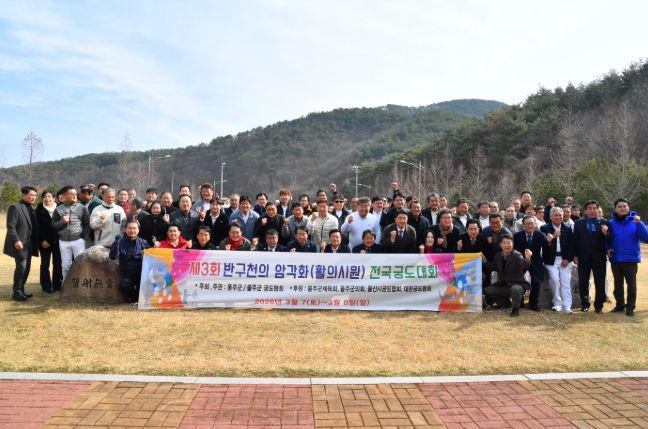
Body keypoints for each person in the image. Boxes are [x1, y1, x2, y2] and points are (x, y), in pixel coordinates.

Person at [607, 198, 648, 316]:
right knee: (617, 284)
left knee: (631, 285)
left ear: (628, 208)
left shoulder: (635, 221)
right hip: (616, 258)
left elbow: (645, 237)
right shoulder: (611, 223)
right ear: (615, 209)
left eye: (625, 206)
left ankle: (630, 307)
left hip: (630, 258)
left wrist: (639, 223)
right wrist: (608, 248)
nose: (622, 208)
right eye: (619, 206)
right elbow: (607, 239)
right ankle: (620, 305)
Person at [572, 200, 611, 313]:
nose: (592, 210)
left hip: (599, 257)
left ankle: (599, 305)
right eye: (589, 208)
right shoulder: (578, 223)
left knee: (600, 282)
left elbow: (610, 239)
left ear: (598, 210)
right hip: (583, 257)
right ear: (585, 211)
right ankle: (585, 304)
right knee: (583, 282)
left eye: (594, 208)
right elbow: (575, 240)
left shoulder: (604, 222)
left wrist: (606, 233)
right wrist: (575, 255)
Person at [4, 186, 39, 301]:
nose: (34, 197)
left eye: (35, 195)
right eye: (31, 195)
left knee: (26, 267)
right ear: (23, 195)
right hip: (20, 243)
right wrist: (16, 240)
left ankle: (21, 290)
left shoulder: (32, 209)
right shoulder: (15, 207)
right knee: (21, 266)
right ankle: (17, 292)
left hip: (29, 244)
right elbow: (11, 226)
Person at [484, 234, 531, 317]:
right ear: (500, 245)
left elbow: (525, 266)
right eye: (504, 243)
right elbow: (492, 267)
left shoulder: (517, 255)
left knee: (516, 289)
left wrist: (527, 258)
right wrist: (484, 260)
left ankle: (515, 309)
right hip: (503, 285)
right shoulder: (498, 255)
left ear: (513, 244)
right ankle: (506, 303)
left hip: (517, 285)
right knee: (487, 290)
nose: (507, 245)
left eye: (509, 243)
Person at [52, 185, 90, 281]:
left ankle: (80, 285)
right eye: (71, 194)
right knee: (65, 266)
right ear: (64, 196)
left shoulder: (82, 208)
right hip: (63, 242)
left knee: (80, 264)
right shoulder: (58, 209)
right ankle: (65, 286)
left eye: (75, 194)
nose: (75, 196)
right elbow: (53, 226)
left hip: (78, 241)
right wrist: (62, 222)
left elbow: (87, 224)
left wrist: (83, 237)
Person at [541, 207, 574, 314]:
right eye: (556, 215)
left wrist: (567, 259)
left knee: (565, 282)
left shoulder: (568, 228)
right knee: (555, 280)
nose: (558, 217)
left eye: (560, 215)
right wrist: (553, 238)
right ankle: (557, 303)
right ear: (551, 217)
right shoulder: (544, 228)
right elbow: (544, 245)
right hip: (551, 260)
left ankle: (567, 305)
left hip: (565, 260)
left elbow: (571, 245)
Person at [109, 220, 148, 303]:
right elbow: (112, 257)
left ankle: (137, 298)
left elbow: (151, 259)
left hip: (142, 274)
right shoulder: (120, 241)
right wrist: (116, 243)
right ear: (125, 230)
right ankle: (132, 297)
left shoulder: (144, 243)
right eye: (130, 228)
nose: (132, 230)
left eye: (134, 228)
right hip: (127, 274)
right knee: (123, 286)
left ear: (138, 230)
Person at [513, 215, 546, 311]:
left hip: (536, 262)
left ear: (535, 224)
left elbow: (547, 249)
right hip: (521, 261)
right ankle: (520, 301)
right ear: (523, 225)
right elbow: (514, 251)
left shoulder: (541, 235)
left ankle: (533, 303)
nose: (530, 226)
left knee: (536, 281)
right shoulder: (517, 236)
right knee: (519, 280)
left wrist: (549, 242)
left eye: (531, 223)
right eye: (527, 224)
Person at [35, 190, 63, 293]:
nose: (47, 199)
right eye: (45, 197)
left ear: (54, 198)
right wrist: (42, 240)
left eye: (49, 197)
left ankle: (57, 285)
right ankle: (46, 287)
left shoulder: (60, 208)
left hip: (58, 241)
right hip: (44, 243)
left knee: (58, 264)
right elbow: (37, 228)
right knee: (44, 265)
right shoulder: (38, 210)